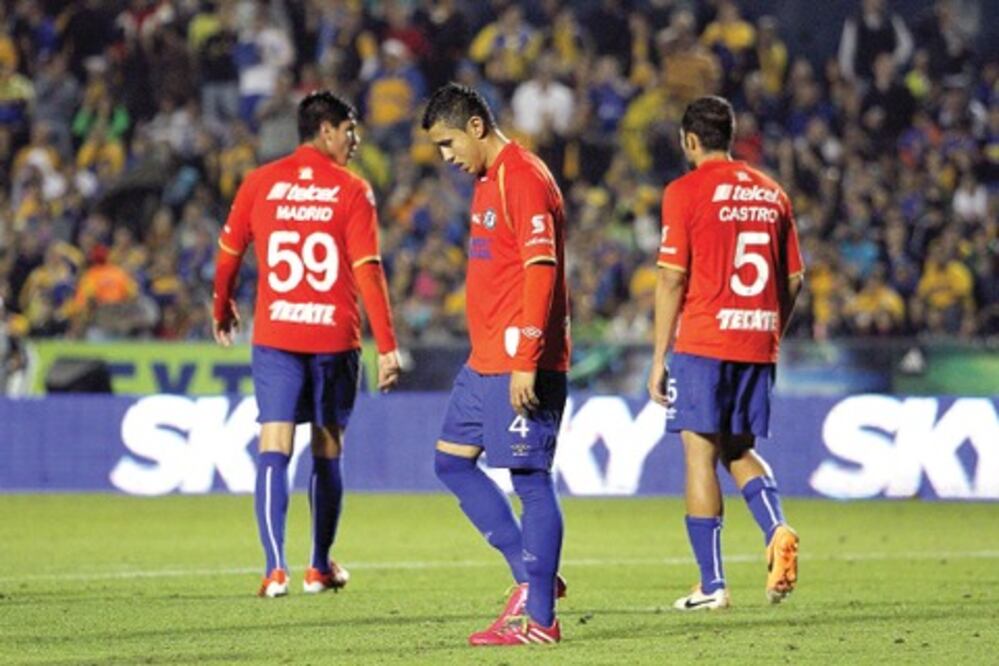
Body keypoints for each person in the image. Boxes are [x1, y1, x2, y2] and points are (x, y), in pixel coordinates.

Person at [212, 90, 401, 598]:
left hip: (276, 334)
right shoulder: (352, 190)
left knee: (274, 443)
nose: (355, 141)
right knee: (327, 443)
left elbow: (228, 255)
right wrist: (387, 345)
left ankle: (275, 569)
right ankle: (318, 567)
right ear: (325, 131)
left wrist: (222, 308)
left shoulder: (259, 182)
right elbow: (368, 270)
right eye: (349, 130)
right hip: (332, 338)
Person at [421, 83, 570, 646]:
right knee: (451, 463)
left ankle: (540, 621)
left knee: (530, 479)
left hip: (519, 360)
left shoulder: (523, 176)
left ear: (477, 127)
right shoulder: (487, 181)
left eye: (448, 142)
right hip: (484, 360)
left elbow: (541, 269)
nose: (446, 156)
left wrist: (527, 358)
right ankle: (531, 579)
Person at [647, 96, 804, 611]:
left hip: (704, 341)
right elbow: (795, 277)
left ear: (689, 141)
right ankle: (776, 527)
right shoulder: (772, 193)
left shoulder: (684, 191)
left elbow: (672, 277)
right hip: (756, 339)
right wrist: (769, 326)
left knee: (700, 453)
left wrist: (657, 357)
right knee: (737, 448)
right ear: (730, 138)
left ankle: (712, 585)